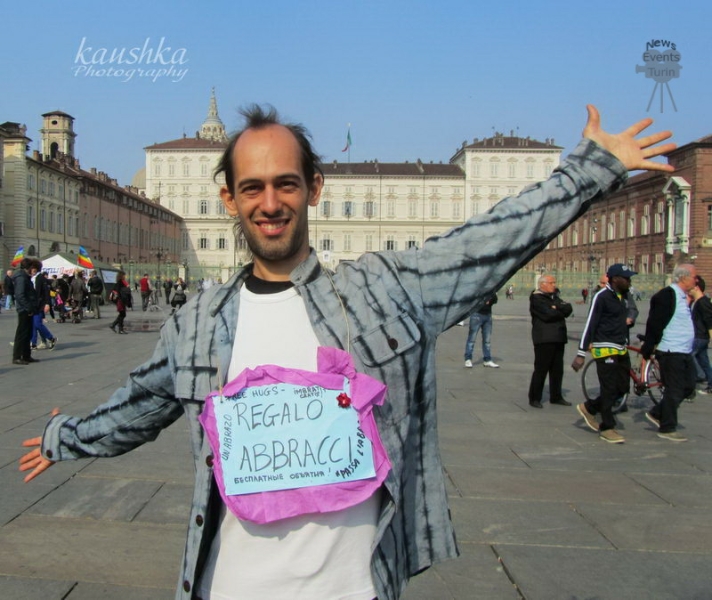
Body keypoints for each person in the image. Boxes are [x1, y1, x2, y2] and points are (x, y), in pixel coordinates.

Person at [19, 104, 675, 600]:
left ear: (314, 188)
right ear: (229, 198)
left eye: (285, 183)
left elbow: (487, 241)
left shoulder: (384, 291)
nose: (270, 202)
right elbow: (140, 405)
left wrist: (591, 169)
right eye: (252, 187)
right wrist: (61, 437)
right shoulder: (194, 326)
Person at [572, 264, 638, 443]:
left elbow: (629, 314)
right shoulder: (601, 297)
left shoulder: (623, 296)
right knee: (608, 388)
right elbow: (590, 323)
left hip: (621, 347)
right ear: (615, 279)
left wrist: (629, 323)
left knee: (623, 388)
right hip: (604, 348)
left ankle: (590, 407)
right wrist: (581, 353)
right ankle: (607, 427)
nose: (629, 281)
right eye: (626, 278)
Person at [641, 264, 697, 442]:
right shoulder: (667, 296)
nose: (696, 280)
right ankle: (667, 427)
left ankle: (658, 412)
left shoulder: (683, 297)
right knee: (674, 388)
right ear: (684, 278)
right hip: (671, 351)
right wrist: (648, 347)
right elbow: (654, 323)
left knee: (689, 386)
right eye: (694, 277)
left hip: (684, 351)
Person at [528, 274, 573, 408]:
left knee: (557, 369)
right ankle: (535, 397)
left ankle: (556, 396)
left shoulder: (554, 297)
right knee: (541, 369)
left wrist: (556, 308)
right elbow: (548, 315)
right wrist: (558, 309)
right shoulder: (537, 298)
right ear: (542, 284)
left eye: (554, 282)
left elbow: (568, 308)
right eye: (551, 283)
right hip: (544, 338)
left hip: (558, 337)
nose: (554, 285)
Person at [12, 258, 39, 365]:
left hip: (27, 308)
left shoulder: (25, 277)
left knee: (28, 333)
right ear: (28, 267)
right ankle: (17, 356)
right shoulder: (21, 278)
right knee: (21, 334)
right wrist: (28, 307)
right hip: (24, 309)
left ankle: (26, 355)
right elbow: (20, 295)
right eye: (32, 267)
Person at [463, 292, 499, 368]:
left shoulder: (491, 289)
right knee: (471, 339)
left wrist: (490, 300)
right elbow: (472, 299)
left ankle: (487, 360)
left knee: (487, 340)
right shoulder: (479, 287)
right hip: (476, 314)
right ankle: (468, 359)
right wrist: (484, 301)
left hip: (488, 315)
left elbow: (495, 300)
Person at [690, 276, 712, 394]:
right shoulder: (697, 302)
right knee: (704, 362)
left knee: (689, 356)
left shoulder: (703, 302)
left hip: (700, 336)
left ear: (697, 288)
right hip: (700, 336)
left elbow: (709, 320)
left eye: (691, 287)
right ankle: (711, 384)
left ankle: (700, 375)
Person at [30, 265, 58, 351]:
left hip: (40, 304)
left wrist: (47, 304)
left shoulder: (41, 278)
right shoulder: (31, 277)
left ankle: (51, 338)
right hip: (33, 304)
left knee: (37, 324)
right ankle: (33, 343)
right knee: (34, 325)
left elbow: (46, 292)